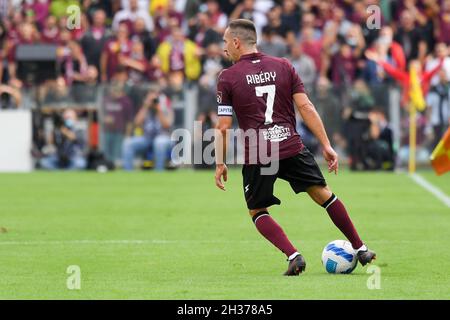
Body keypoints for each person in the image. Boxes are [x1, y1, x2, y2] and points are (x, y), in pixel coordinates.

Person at [214, 19, 376, 276]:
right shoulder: (283, 65)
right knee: (323, 194)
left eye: (225, 42)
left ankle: (294, 255)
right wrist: (326, 144)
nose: (224, 49)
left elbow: (223, 127)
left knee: (257, 210)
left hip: (259, 153)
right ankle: (361, 247)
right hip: (290, 145)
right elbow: (306, 107)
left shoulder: (227, 77)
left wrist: (220, 162)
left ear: (236, 42)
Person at [122, 89, 173, 171]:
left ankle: (159, 171)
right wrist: (145, 106)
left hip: (164, 137)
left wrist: (158, 109)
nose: (152, 101)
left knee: (159, 142)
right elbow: (137, 123)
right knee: (127, 143)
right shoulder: (145, 108)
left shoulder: (165, 107)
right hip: (147, 137)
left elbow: (166, 125)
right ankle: (128, 172)